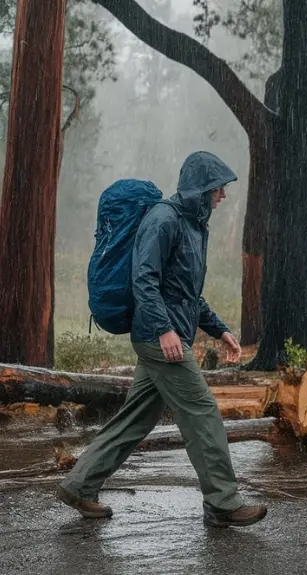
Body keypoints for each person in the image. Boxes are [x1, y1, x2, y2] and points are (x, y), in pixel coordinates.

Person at [57, 151, 268, 528]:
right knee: (201, 412)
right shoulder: (163, 219)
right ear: (202, 187)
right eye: (219, 188)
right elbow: (144, 280)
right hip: (160, 339)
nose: (223, 195)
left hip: (170, 334)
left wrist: (220, 329)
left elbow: (187, 294)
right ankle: (222, 501)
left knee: (134, 420)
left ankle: (79, 484)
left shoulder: (194, 226)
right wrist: (163, 329)